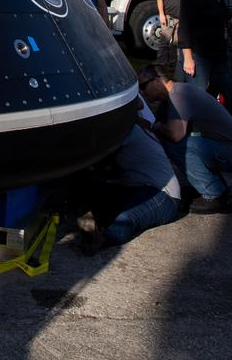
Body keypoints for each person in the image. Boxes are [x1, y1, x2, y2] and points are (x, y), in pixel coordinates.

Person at [76, 69, 181, 252]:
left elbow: (98, 161)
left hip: (163, 195)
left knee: (127, 219)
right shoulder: (128, 127)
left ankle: (102, 239)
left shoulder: (125, 132)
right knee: (97, 191)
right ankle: (96, 221)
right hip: (137, 187)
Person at [141, 67, 232, 213]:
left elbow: (176, 134)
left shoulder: (179, 95)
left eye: (143, 86)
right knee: (180, 141)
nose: (143, 92)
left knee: (176, 144)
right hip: (230, 149)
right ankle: (216, 187)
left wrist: (156, 127)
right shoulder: (173, 97)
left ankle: (215, 195)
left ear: (157, 80)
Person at [177, 0, 232, 117]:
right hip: (199, 56)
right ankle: (195, 133)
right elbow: (184, 28)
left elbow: (225, 16)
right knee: (198, 99)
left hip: (218, 55)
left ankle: (223, 128)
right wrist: (188, 58)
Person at [156, 0, 187, 68]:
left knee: (177, 44)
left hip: (181, 18)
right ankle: (160, 65)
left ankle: (173, 65)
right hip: (168, 16)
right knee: (164, 42)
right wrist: (162, 15)